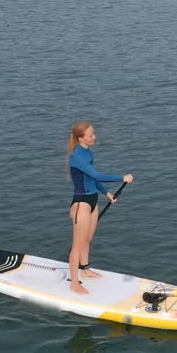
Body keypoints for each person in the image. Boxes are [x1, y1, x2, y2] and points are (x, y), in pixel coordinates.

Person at [66, 121, 133, 295]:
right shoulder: (77, 157)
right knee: (77, 245)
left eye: (93, 134)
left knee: (87, 239)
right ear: (81, 138)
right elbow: (97, 175)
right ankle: (74, 282)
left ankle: (85, 269)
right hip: (81, 205)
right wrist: (122, 177)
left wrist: (106, 193)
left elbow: (92, 179)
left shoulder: (88, 152)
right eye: (91, 135)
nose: (94, 137)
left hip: (93, 201)